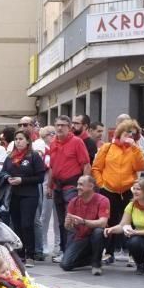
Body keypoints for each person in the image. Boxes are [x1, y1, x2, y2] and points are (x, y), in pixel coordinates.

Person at [91, 119, 144, 264]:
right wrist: (101, 184)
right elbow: (96, 168)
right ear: (119, 133)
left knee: (131, 221)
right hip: (108, 189)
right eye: (127, 133)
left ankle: (131, 253)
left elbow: (141, 166)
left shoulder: (135, 150)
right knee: (109, 222)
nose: (129, 136)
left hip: (128, 190)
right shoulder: (107, 148)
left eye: (133, 134)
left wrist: (135, 148)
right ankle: (109, 253)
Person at [48, 115, 91, 255]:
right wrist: (49, 186)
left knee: (70, 219)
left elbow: (86, 164)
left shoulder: (77, 142)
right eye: (58, 125)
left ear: (69, 127)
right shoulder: (53, 143)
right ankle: (64, 250)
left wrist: (84, 186)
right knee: (61, 221)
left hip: (72, 186)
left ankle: (71, 252)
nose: (60, 128)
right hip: (57, 186)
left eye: (63, 125)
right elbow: (52, 167)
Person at [2, 130, 45, 266]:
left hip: (29, 194)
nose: (18, 141)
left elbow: (40, 177)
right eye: (16, 139)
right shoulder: (10, 157)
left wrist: (22, 180)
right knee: (17, 225)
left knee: (27, 224)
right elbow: (3, 172)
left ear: (28, 141)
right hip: (13, 194)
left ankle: (30, 254)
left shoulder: (33, 156)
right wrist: (7, 178)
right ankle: (20, 254)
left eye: (21, 139)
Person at [60, 175, 110, 275]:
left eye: (81, 184)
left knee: (98, 231)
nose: (77, 187)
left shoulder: (103, 200)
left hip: (98, 236)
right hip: (81, 237)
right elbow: (68, 227)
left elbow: (103, 222)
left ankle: (96, 264)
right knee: (65, 265)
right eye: (77, 184)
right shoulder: (73, 202)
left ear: (91, 186)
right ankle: (92, 258)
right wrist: (68, 224)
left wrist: (83, 221)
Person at [35, 125, 58, 260]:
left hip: (57, 184)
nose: (53, 135)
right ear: (44, 136)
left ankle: (57, 245)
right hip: (45, 184)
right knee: (45, 215)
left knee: (58, 217)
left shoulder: (57, 147)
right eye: (50, 133)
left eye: (54, 133)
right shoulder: (41, 146)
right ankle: (43, 244)